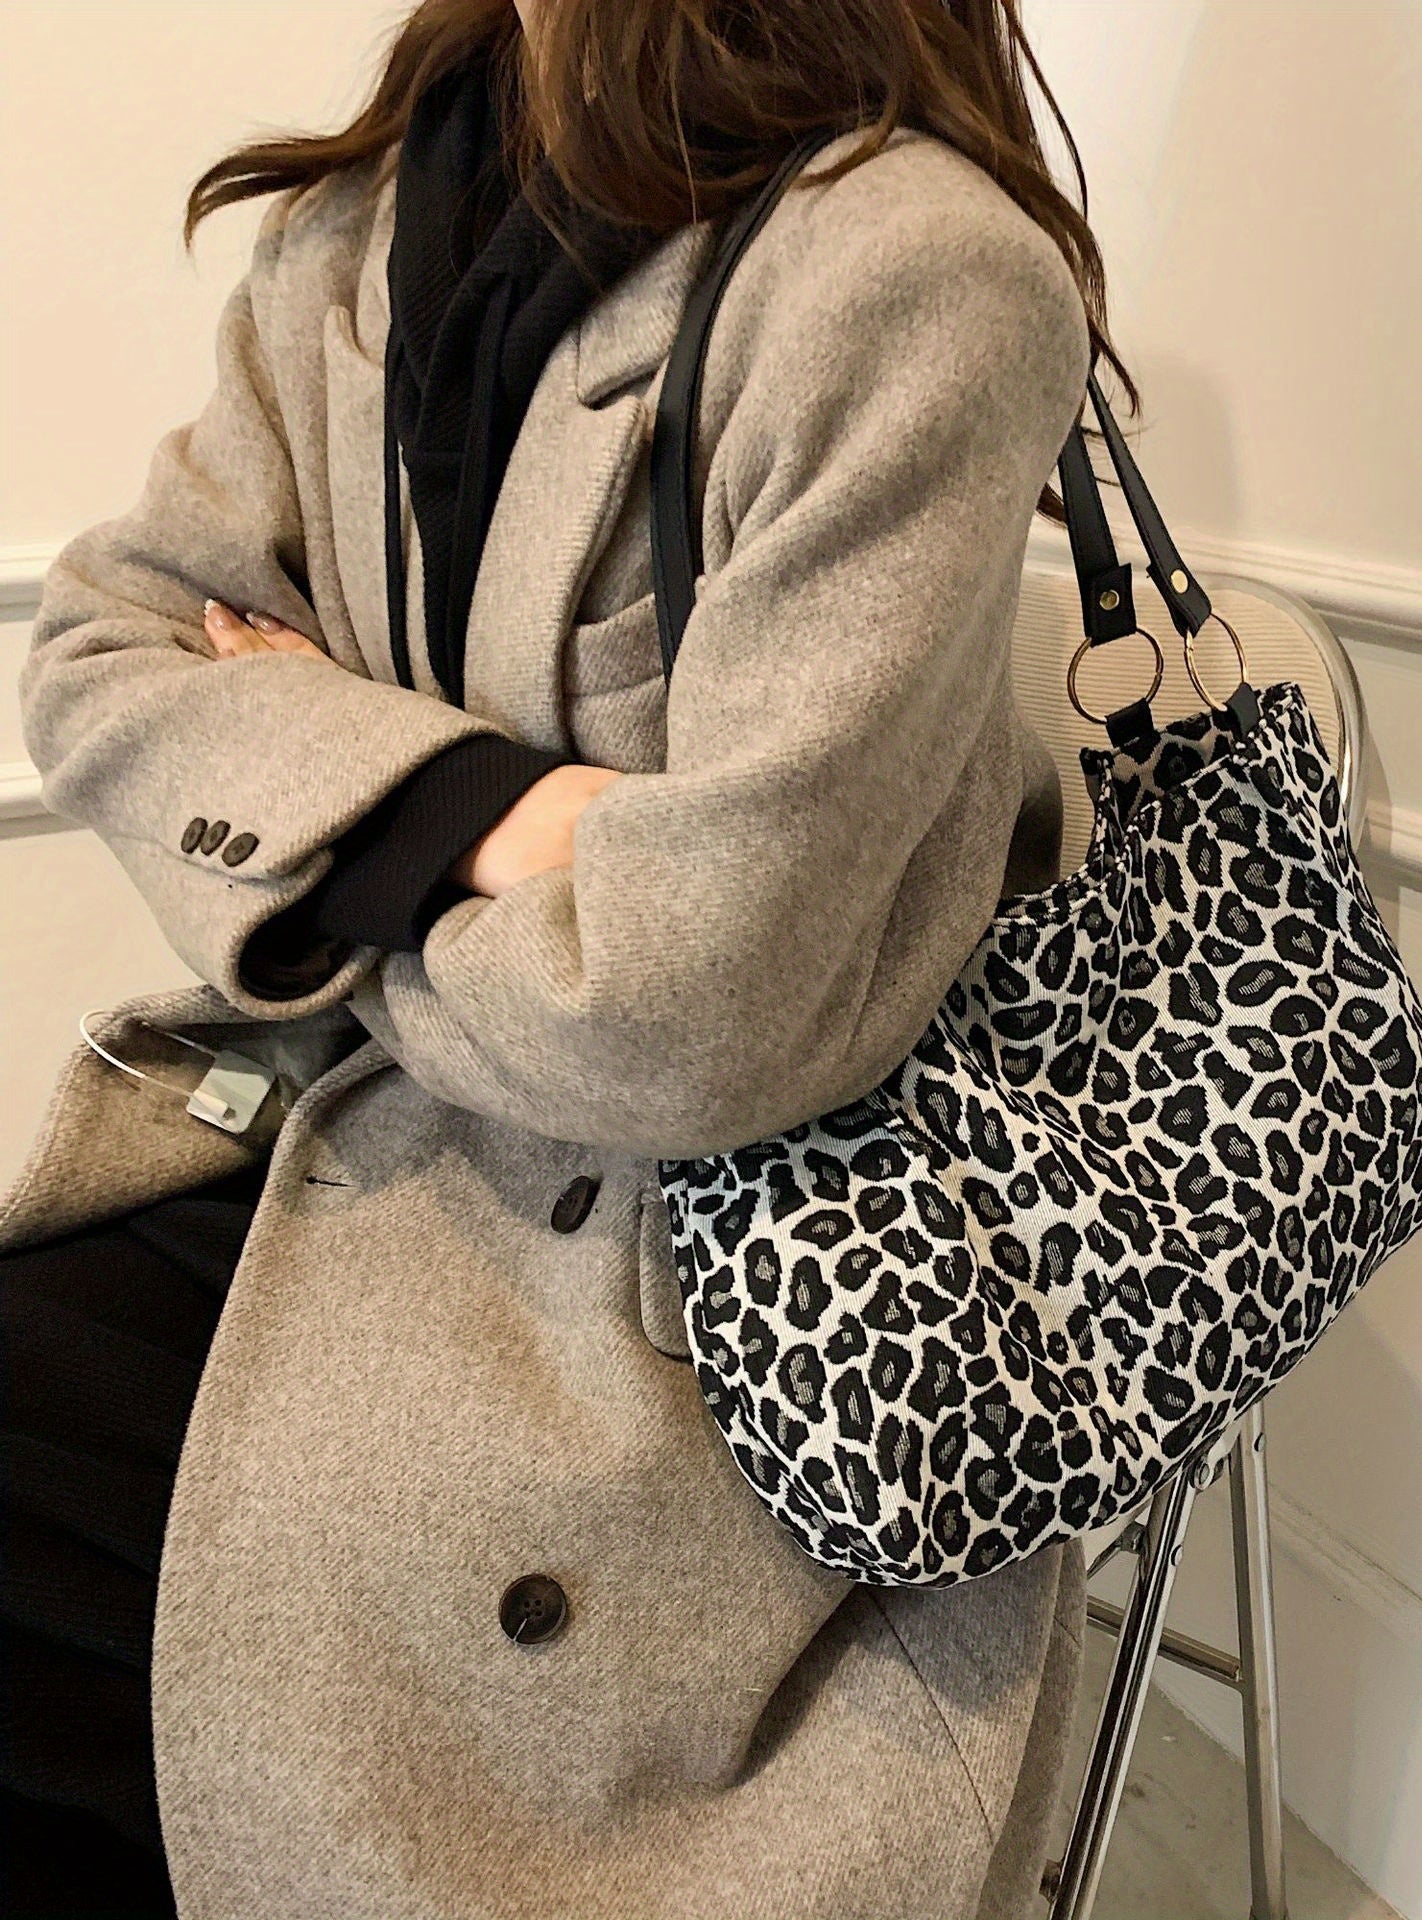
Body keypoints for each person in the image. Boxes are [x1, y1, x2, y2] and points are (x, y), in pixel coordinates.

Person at [0, 0, 1140, 1912]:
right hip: (381, 1153)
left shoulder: (911, 270)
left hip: (741, 1293)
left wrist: (331, 849)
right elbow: (104, 652)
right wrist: (496, 816)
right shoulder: (353, 236)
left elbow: (694, 1020)